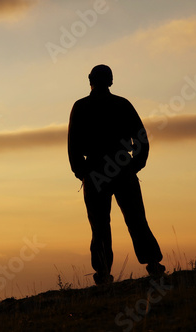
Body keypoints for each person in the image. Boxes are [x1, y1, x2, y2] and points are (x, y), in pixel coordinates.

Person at [68, 64, 165, 285]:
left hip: (99, 171)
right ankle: (151, 264)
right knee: (134, 220)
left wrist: (83, 173)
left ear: (89, 79)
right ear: (110, 81)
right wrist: (134, 165)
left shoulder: (82, 107)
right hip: (118, 169)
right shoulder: (121, 104)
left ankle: (104, 274)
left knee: (102, 225)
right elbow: (141, 140)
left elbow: (73, 146)